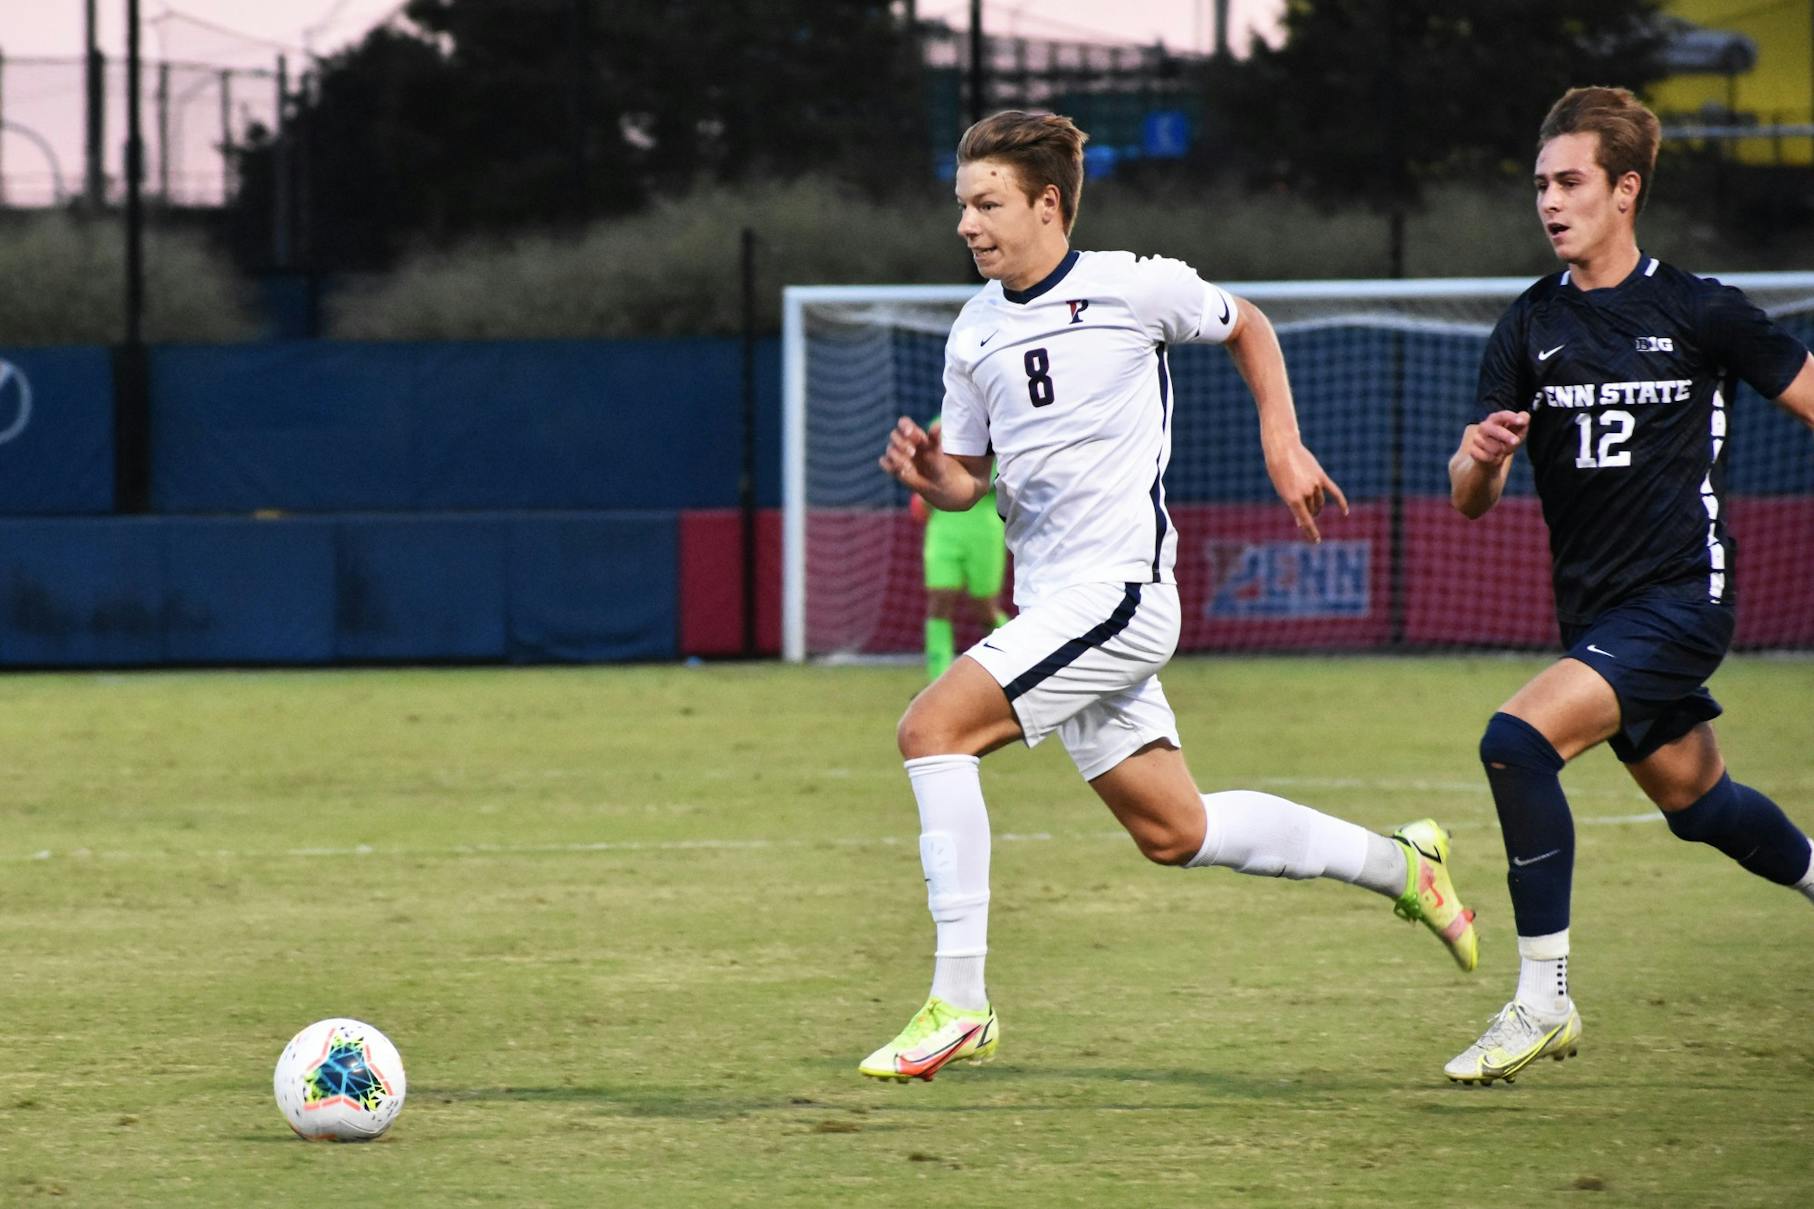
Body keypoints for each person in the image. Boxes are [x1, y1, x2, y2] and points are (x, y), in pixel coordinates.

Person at [862, 109, 1479, 1083]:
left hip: (1119, 596)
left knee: (928, 730)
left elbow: (1250, 326)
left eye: (986, 204)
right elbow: (967, 484)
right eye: (960, 205)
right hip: (1053, 608)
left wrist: (1281, 442)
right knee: (1173, 832)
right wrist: (928, 475)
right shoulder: (973, 331)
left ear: (1047, 204)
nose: (966, 225)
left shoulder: (1132, 286)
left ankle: (960, 1001)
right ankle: (1403, 866)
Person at [1444, 86, 1814, 1085]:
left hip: (1682, 600)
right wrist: (1479, 454)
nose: (1548, 202)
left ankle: (1540, 999)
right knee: (1698, 803)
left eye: (1568, 182)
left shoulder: (1699, 309)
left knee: (1513, 743)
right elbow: (1466, 499)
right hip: (1597, 615)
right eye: (1538, 185)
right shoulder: (1527, 326)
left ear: (1623, 189)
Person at [912, 415, 1010, 681]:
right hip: (944, 525)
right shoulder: (937, 427)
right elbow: (923, 478)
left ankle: (1013, 670)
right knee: (939, 600)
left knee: (985, 608)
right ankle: (938, 680)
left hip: (984, 524)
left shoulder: (1000, 427)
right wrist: (923, 493)